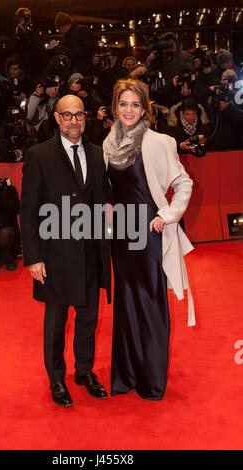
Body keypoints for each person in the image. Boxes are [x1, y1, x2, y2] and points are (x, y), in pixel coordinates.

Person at [103, 79, 195, 400]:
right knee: (127, 304)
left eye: (135, 104)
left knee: (150, 302)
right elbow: (110, 189)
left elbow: (184, 183)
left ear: (145, 109)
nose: (129, 110)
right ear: (115, 108)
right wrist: (107, 205)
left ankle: (151, 380)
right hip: (122, 235)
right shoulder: (108, 144)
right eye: (123, 104)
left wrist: (168, 214)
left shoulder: (159, 142)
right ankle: (125, 375)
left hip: (148, 231)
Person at [20, 94, 111, 407]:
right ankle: (56, 379)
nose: (74, 121)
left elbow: (105, 200)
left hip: (91, 253)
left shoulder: (99, 155)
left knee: (88, 319)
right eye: (67, 115)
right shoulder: (38, 155)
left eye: (80, 115)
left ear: (86, 118)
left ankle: (84, 372)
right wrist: (33, 257)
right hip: (56, 256)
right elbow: (29, 209)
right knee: (56, 323)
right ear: (56, 118)